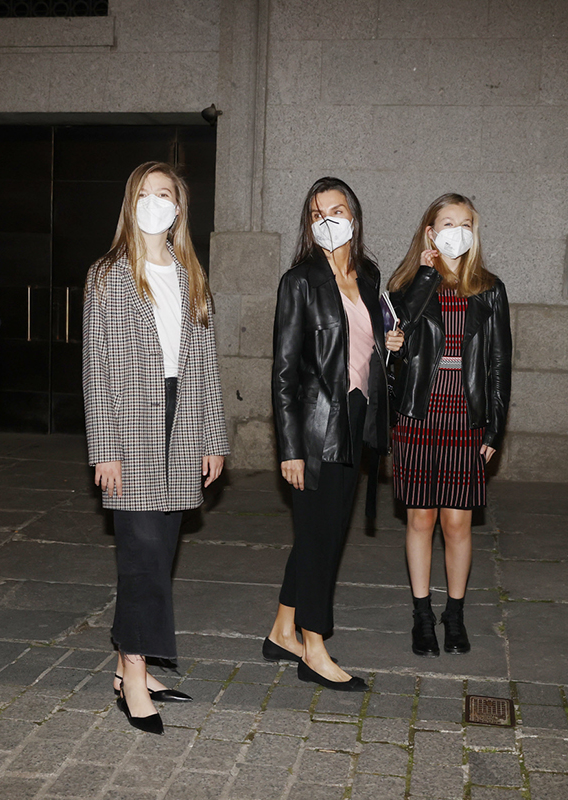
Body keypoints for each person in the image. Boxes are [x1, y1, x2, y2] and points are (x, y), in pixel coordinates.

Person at [83, 161, 229, 734]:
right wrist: (105, 449)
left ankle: (126, 663)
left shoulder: (191, 273)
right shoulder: (109, 274)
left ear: (179, 205)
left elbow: (207, 366)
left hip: (183, 418)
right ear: (129, 202)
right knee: (141, 556)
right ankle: (136, 677)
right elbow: (98, 370)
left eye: (163, 194)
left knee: (160, 554)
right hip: (131, 425)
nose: (154, 202)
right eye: (143, 193)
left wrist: (212, 437)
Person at [264, 177, 404, 691]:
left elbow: (365, 343)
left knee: (319, 533)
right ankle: (314, 647)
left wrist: (389, 345)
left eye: (337, 210)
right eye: (317, 214)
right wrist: (291, 449)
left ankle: (283, 629)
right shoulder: (298, 281)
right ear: (309, 224)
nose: (328, 220)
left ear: (354, 216)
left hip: (358, 416)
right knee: (323, 538)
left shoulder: (368, 275)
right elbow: (283, 372)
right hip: (317, 425)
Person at [387, 193, 511, 658]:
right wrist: (424, 274)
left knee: (458, 523)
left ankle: (453, 615)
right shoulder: (408, 285)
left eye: (465, 224)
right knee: (420, 517)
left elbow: (500, 362)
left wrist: (494, 429)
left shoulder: (489, 288)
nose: (457, 231)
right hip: (418, 413)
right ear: (430, 232)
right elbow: (397, 335)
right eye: (447, 223)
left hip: (465, 413)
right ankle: (422, 615)